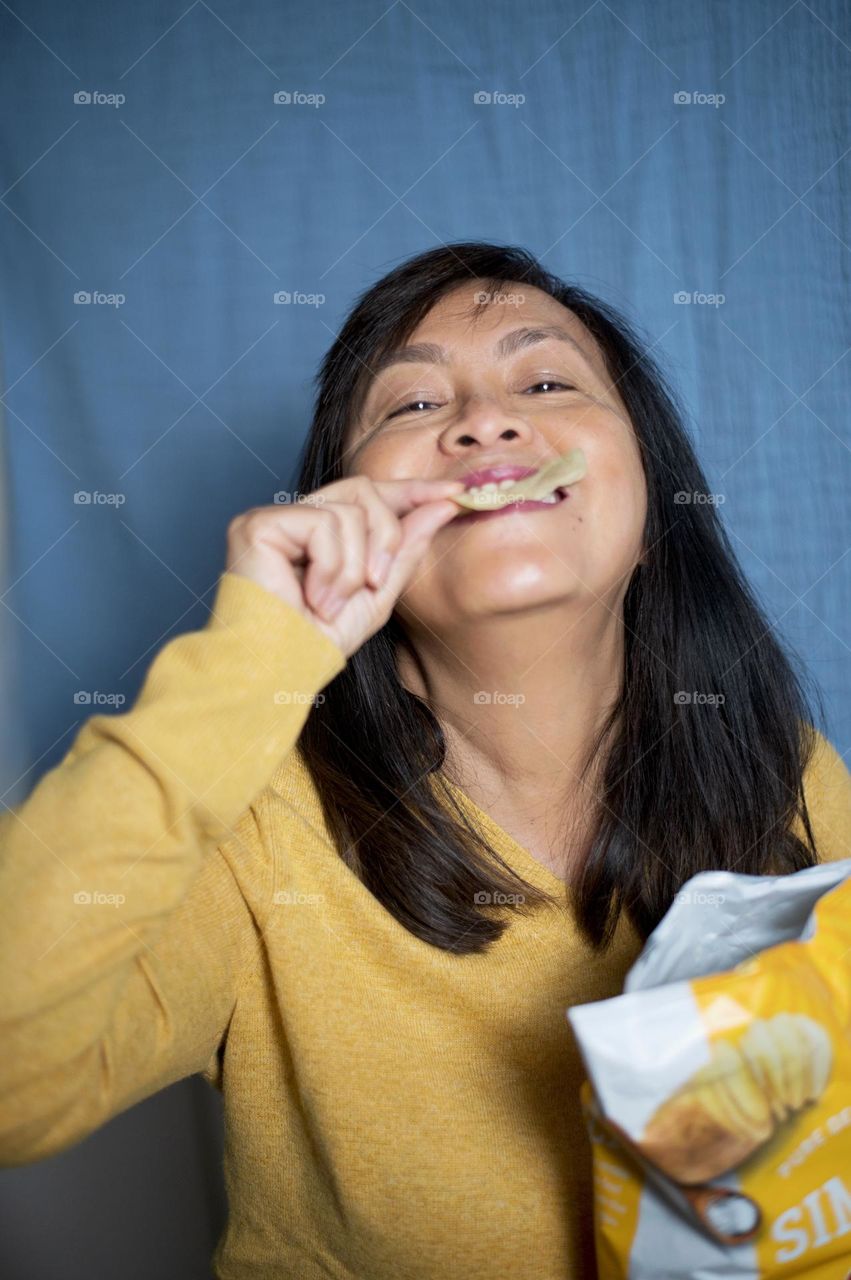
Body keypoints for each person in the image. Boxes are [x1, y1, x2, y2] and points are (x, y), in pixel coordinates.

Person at [1, 241, 848, 1279]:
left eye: (543, 380)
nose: (484, 421)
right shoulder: (259, 826)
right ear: (348, 515)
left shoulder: (779, 769)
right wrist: (254, 655)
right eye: (409, 405)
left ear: (648, 521)